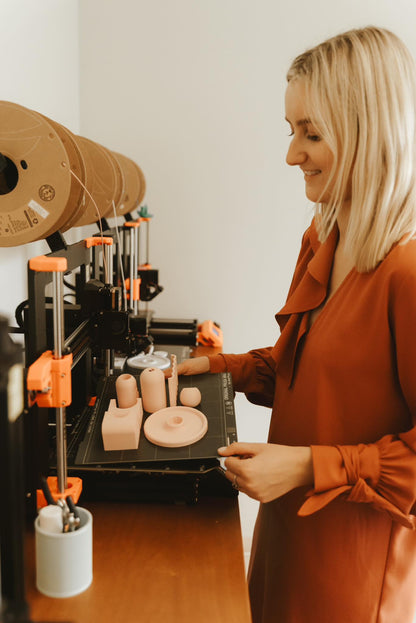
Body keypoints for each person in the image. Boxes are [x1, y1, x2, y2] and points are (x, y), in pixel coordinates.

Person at [175, 26, 416, 623]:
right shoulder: (322, 238)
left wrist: (309, 464)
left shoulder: (407, 271)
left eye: (312, 133)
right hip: (285, 535)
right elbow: (305, 370)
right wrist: (223, 370)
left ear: (370, 133)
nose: (291, 154)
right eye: (291, 131)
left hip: (352, 572)